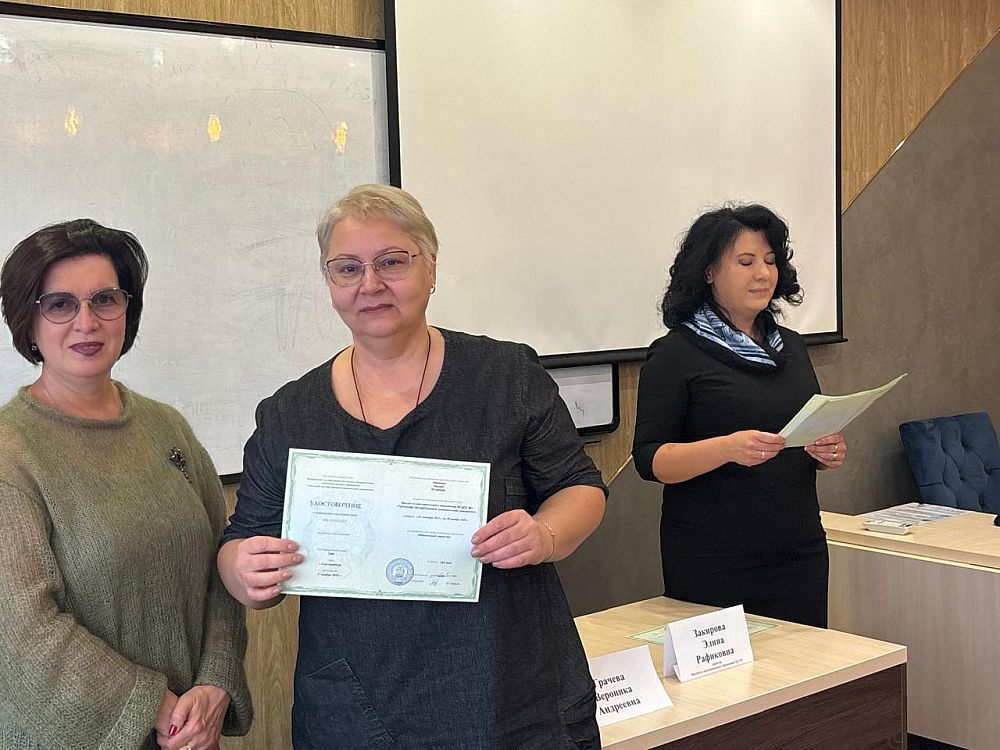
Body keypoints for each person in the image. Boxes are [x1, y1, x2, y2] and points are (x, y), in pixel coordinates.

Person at [218, 184, 607, 749]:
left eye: (392, 262)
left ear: (431, 267)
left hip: (507, 687)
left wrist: (545, 534)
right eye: (347, 268)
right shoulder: (290, 413)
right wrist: (245, 572)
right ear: (329, 282)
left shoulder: (505, 376)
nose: (370, 284)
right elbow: (241, 541)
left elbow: (580, 487)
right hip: (358, 705)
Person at [0, 220, 252, 750]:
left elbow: (221, 563)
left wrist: (215, 683)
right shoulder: (11, 453)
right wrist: (158, 709)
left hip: (190, 732)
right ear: (29, 321)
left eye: (105, 300)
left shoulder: (167, 427)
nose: (86, 322)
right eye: (59, 304)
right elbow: (22, 631)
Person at [631, 204, 846, 628]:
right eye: (746, 262)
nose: (763, 274)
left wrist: (827, 449)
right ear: (709, 271)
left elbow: (807, 429)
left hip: (798, 548)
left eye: (770, 261)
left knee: (807, 665)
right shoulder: (676, 353)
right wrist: (727, 448)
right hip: (714, 558)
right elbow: (650, 460)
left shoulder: (792, 346)